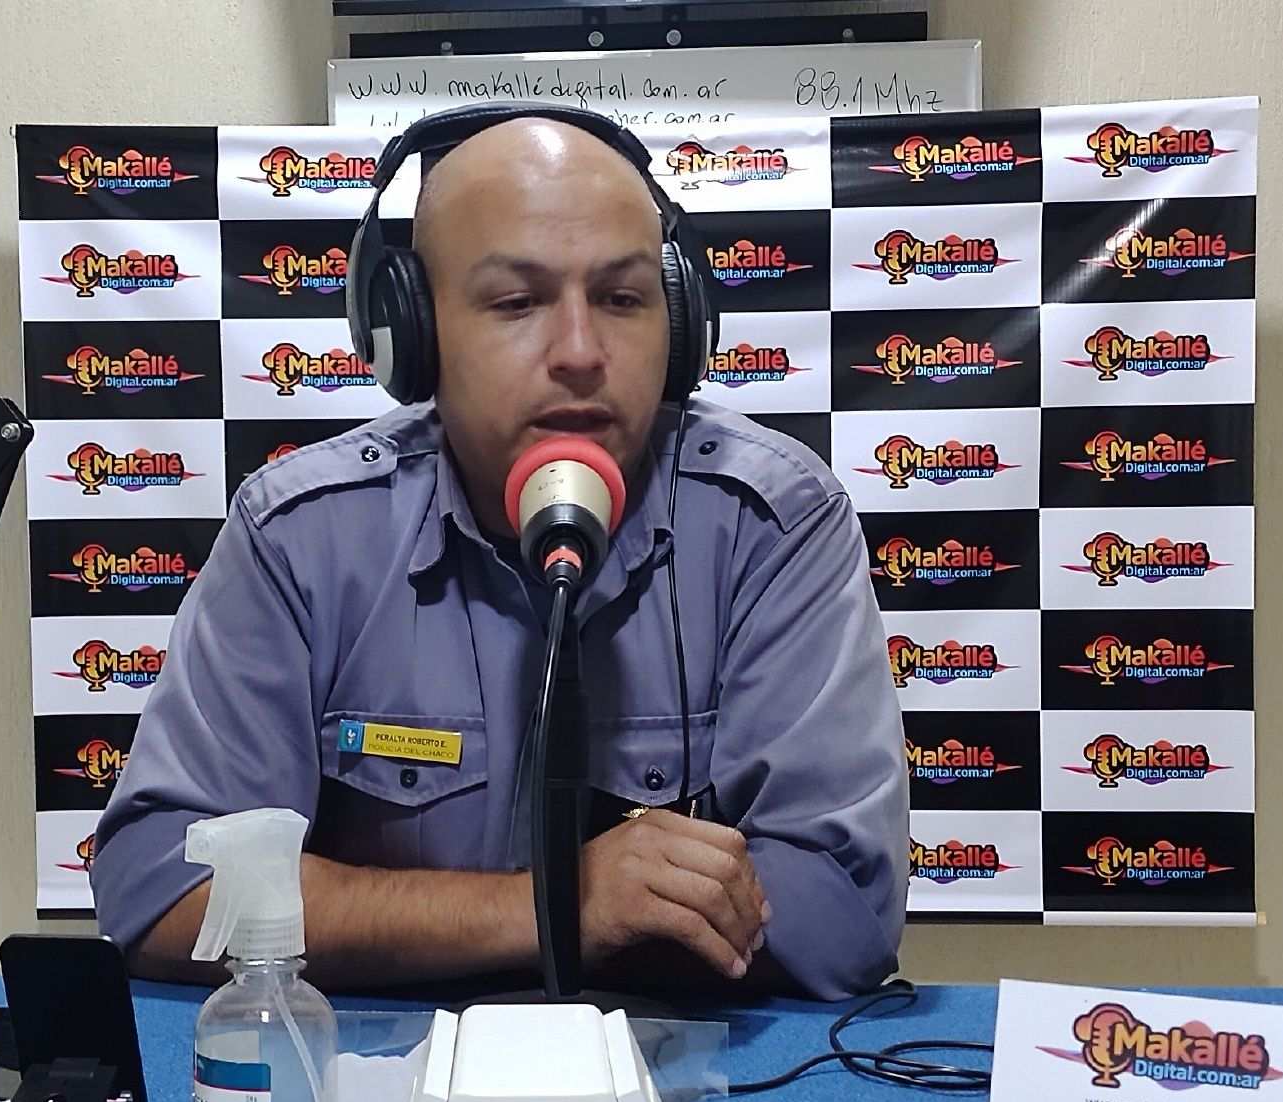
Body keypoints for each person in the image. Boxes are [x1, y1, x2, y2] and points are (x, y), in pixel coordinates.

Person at [91, 111, 908, 1001]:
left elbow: (839, 916)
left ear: (680, 321)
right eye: (517, 303)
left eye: (623, 299)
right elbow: (163, 890)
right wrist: (551, 908)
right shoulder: (301, 537)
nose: (581, 354)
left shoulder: (774, 523)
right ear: (410, 333)